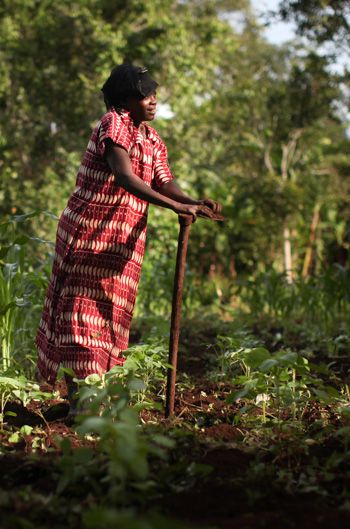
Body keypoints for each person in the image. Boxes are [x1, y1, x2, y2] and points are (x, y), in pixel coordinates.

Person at [35, 64, 220, 419]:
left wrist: (194, 203)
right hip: (89, 237)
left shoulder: (151, 139)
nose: (153, 101)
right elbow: (124, 176)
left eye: (154, 94)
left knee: (108, 318)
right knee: (81, 317)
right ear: (126, 99)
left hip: (122, 246)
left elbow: (163, 181)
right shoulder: (112, 124)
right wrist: (175, 206)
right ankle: (84, 406)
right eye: (145, 95)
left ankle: (92, 403)